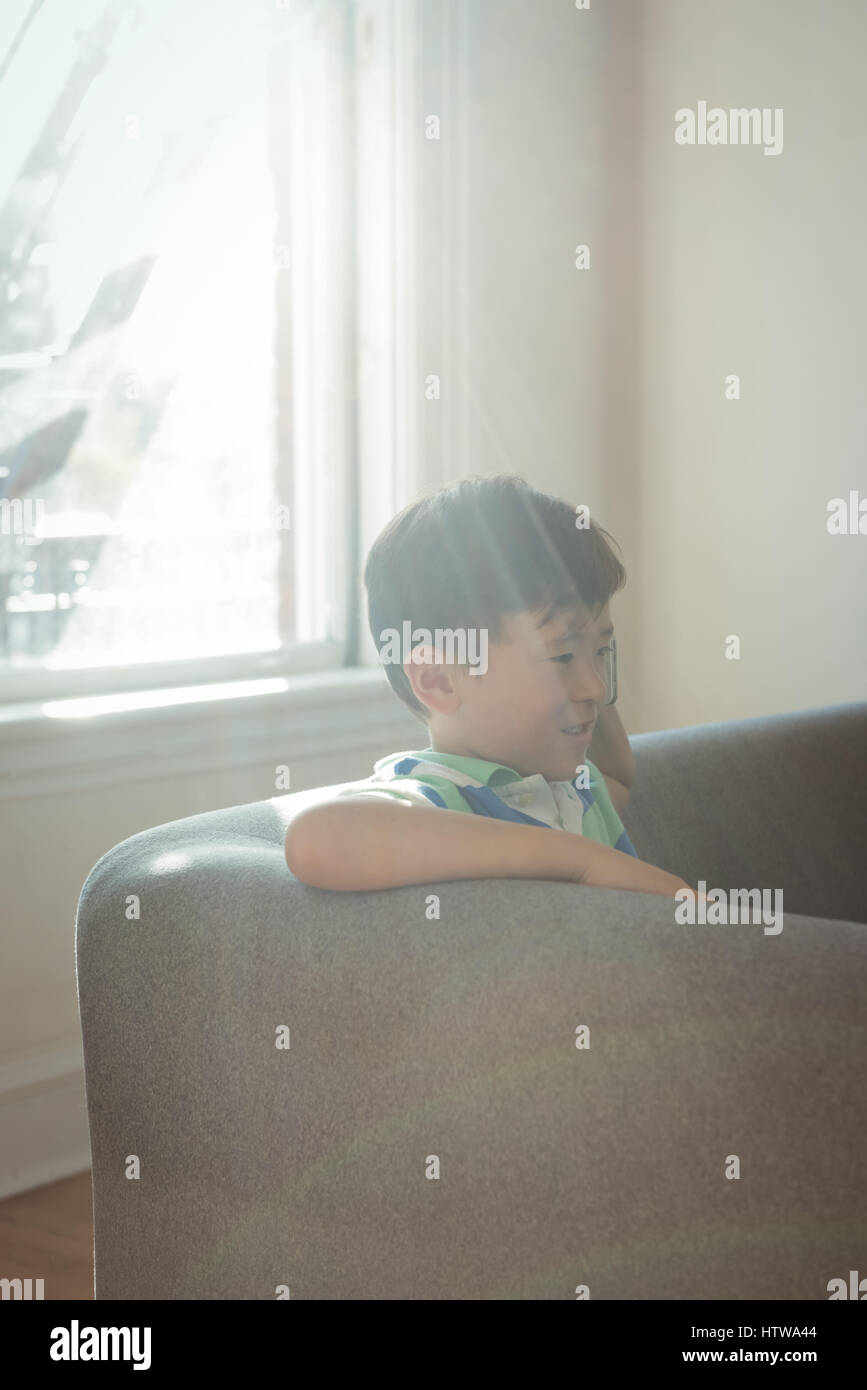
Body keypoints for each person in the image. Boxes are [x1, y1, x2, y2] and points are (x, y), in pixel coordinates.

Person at [285, 474, 690, 898]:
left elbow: (617, 776)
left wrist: (581, 670)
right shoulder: (440, 794)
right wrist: (580, 861)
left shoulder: (576, 787)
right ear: (438, 680)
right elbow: (316, 839)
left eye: (602, 654)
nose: (594, 686)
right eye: (562, 658)